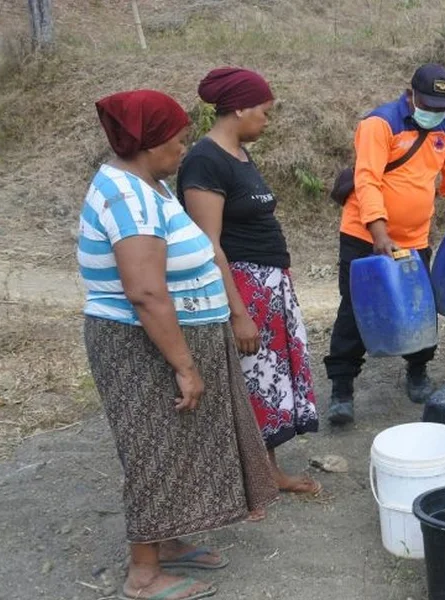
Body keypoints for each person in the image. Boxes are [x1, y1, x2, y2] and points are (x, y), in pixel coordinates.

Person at [79, 89, 278, 600]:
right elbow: (145, 292)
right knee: (155, 447)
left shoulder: (150, 186)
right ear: (149, 143)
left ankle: (166, 544)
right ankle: (143, 574)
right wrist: (185, 366)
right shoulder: (129, 198)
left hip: (173, 338)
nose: (185, 150)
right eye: (179, 140)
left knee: (177, 444)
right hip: (142, 346)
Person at [177, 67, 321, 497]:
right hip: (242, 288)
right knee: (249, 381)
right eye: (263, 109)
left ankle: (266, 470)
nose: (267, 118)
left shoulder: (239, 153)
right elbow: (210, 245)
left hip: (270, 286)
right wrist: (238, 312)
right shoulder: (205, 160)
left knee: (267, 381)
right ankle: (249, 478)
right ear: (238, 108)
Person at [323, 63, 445, 424]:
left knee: (419, 306)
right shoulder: (379, 124)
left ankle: (417, 371)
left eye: (441, 107)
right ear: (410, 95)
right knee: (355, 308)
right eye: (428, 105)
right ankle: (342, 388)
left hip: (414, 239)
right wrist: (379, 231)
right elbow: (367, 180)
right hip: (364, 237)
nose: (434, 113)